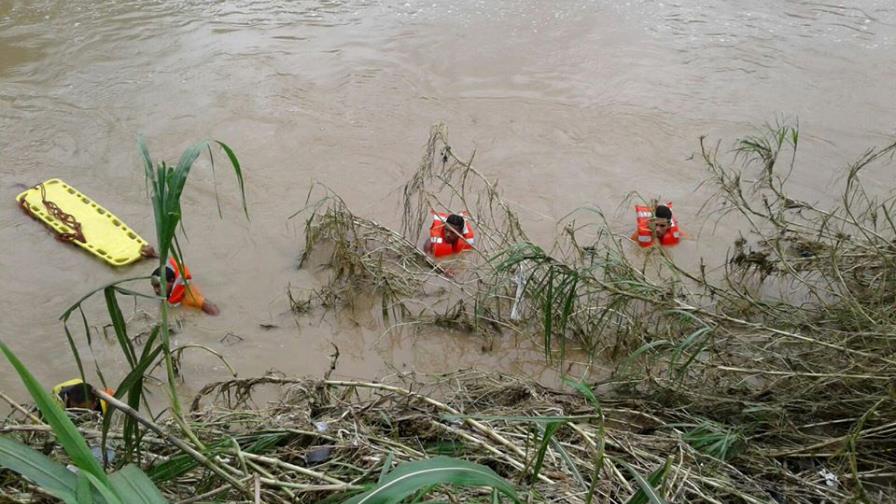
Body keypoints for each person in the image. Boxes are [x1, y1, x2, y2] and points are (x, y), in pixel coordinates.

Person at [151, 257, 220, 315]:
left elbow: (213, 309)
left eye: (158, 286)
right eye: (154, 287)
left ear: (171, 281)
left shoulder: (188, 296)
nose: (156, 290)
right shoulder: (169, 291)